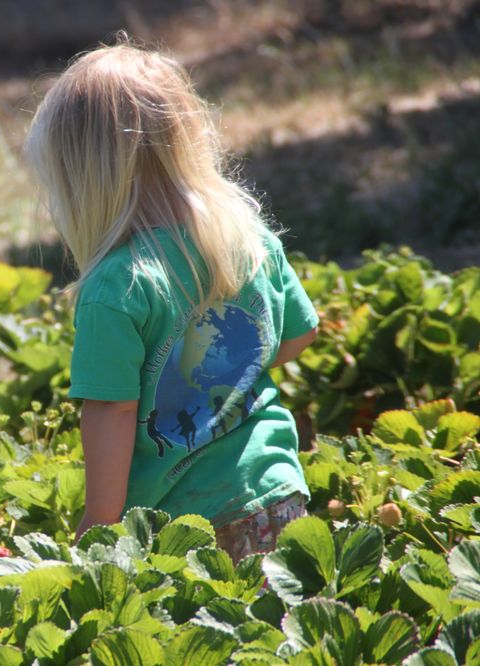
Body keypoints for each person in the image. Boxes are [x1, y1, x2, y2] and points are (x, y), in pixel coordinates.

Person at [24, 41, 319, 562]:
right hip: (275, 490)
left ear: (79, 179)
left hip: (182, 527)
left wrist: (99, 522)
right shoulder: (247, 238)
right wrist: (230, 374)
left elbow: (113, 409)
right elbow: (298, 335)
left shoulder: (116, 287)